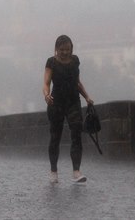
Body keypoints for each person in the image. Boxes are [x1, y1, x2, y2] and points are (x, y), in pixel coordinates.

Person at [43, 35, 93, 183]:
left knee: (76, 134)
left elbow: (77, 82)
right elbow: (46, 83)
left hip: (73, 102)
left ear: (72, 49)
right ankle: (53, 171)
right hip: (56, 103)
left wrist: (86, 97)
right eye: (62, 49)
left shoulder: (75, 61)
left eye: (68, 49)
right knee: (55, 137)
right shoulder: (51, 62)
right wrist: (46, 95)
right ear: (56, 49)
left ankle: (76, 171)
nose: (65, 52)